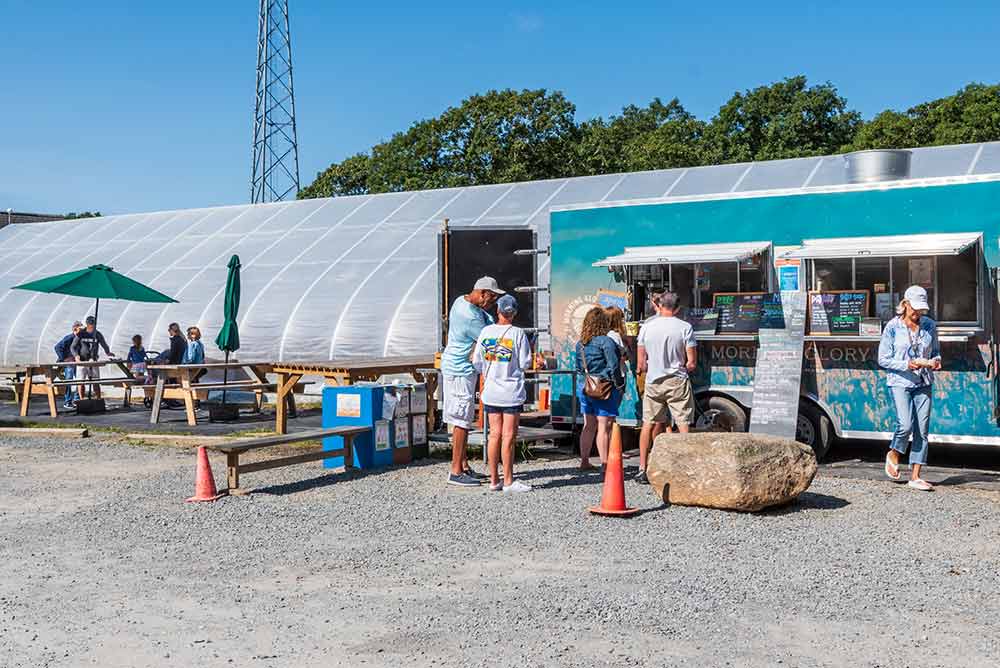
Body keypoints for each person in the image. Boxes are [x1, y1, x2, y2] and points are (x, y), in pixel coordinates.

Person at [441, 276, 504, 487]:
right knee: (461, 420)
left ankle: (464, 465)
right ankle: (455, 471)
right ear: (482, 293)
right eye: (492, 298)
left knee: (464, 419)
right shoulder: (470, 317)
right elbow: (490, 339)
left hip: (461, 369)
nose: (493, 303)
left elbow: (487, 324)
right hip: (459, 371)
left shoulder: (462, 301)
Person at [878, 285, 941, 491]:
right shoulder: (892, 327)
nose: (918, 313)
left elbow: (936, 351)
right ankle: (894, 453)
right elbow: (883, 359)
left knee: (922, 429)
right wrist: (907, 364)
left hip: (924, 381)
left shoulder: (929, 325)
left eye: (921, 309)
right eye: (915, 308)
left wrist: (936, 361)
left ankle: (915, 476)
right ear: (905, 304)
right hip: (900, 381)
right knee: (905, 425)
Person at [473, 294, 533, 493]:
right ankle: (508, 480)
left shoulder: (485, 332)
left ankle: (493, 480)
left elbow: (477, 362)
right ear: (514, 313)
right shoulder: (518, 334)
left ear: (497, 311)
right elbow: (525, 363)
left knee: (494, 435)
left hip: (491, 390)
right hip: (511, 391)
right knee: (508, 436)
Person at [635, 291, 697, 485]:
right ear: (677, 308)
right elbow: (692, 362)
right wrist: (684, 366)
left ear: (659, 305)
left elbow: (641, 363)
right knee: (683, 423)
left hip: (653, 381)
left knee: (648, 423)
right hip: (677, 380)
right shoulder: (685, 327)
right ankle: (685, 468)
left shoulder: (647, 327)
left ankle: (642, 468)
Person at [575, 307, 624, 470]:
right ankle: (605, 464)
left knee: (588, 425)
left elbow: (579, 368)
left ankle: (584, 461)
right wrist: (619, 384)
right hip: (604, 387)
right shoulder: (606, 341)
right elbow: (614, 365)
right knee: (604, 426)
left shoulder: (580, 344)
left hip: (585, 386)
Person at [70, 316, 113, 400]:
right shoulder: (81, 334)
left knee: (95, 381)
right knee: (81, 382)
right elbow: (72, 347)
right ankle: (82, 399)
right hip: (82, 362)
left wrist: (108, 352)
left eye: (93, 324)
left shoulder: (97, 334)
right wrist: (76, 356)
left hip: (93, 361)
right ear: (87, 324)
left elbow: (104, 344)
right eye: (90, 324)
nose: (92, 326)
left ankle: (98, 399)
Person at [54, 321, 82, 409]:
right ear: (75, 329)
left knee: (79, 380)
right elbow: (57, 347)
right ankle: (68, 401)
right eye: (80, 329)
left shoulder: (80, 338)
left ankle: (77, 399)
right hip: (69, 363)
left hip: (76, 362)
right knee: (69, 381)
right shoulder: (69, 338)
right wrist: (64, 358)